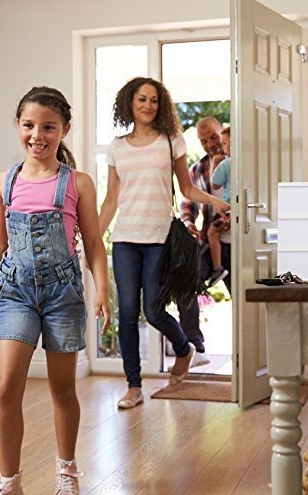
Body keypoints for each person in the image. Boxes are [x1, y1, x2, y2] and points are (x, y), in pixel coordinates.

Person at [0, 86, 111, 495]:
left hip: (63, 295)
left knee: (61, 390)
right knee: (5, 386)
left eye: (48, 127)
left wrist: (101, 291)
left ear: (64, 130)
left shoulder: (79, 182)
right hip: (16, 292)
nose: (37, 134)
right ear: (18, 126)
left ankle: (66, 473)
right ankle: (10, 483)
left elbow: (93, 243)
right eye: (29, 125)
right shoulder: (3, 182)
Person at [98, 77, 230, 410]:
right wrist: (92, 239)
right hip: (126, 239)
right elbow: (111, 200)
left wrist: (219, 203)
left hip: (159, 240)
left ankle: (183, 348)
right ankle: (133, 385)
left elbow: (186, 188)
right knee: (127, 313)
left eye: (154, 100)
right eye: (141, 99)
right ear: (130, 102)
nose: (148, 105)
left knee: (154, 311)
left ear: (161, 105)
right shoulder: (117, 147)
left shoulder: (171, 141)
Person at [178, 117, 232, 366]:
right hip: (210, 243)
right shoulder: (196, 171)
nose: (211, 143)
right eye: (204, 140)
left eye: (214, 136)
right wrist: (188, 222)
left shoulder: (239, 162)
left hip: (238, 242)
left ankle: (258, 356)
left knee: (246, 298)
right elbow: (188, 204)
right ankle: (195, 348)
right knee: (186, 282)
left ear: (222, 132)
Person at [207, 126, 231, 287]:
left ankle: (217, 268)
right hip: (241, 210)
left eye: (225, 143)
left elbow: (215, 185)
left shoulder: (225, 164)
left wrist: (215, 164)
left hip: (228, 208)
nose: (223, 148)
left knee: (212, 232)